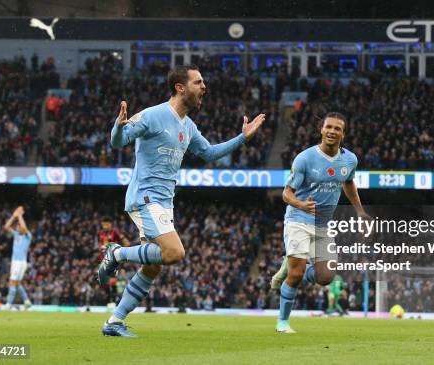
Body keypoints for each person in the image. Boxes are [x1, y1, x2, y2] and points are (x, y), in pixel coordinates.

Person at [97, 64, 265, 337]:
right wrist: (118, 126)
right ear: (180, 87)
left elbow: (209, 153)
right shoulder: (152, 115)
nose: (204, 87)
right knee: (175, 253)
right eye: (198, 82)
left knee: (153, 267)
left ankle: (114, 321)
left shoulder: (188, 126)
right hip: (145, 196)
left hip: (164, 202)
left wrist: (242, 138)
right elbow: (119, 142)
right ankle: (116, 253)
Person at [270, 112, 369, 333]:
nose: (332, 131)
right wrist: (300, 204)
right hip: (299, 219)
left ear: (343, 134)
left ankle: (292, 268)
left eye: (337, 129)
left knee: (326, 277)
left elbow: (349, 183)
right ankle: (283, 322)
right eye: (329, 127)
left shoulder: (350, 159)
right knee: (296, 275)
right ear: (321, 130)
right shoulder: (304, 158)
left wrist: (360, 211)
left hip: (323, 225)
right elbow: (286, 193)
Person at [2, 206, 33, 310]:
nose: (17, 227)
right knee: (17, 283)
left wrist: (19, 216)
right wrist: (13, 216)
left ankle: (8, 304)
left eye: (18, 226)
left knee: (12, 281)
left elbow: (24, 228)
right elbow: (6, 227)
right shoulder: (16, 234)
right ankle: (27, 301)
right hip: (18, 262)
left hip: (19, 262)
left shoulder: (28, 235)